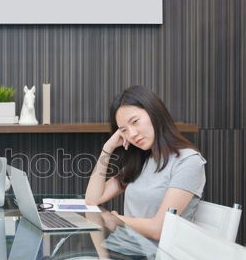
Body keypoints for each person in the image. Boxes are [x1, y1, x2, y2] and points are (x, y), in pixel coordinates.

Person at [84, 86, 206, 241]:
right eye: (124, 130)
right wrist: (107, 148)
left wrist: (116, 219)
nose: (132, 134)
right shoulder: (142, 160)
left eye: (135, 121)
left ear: (154, 113)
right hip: (130, 253)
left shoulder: (189, 162)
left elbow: (159, 229)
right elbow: (92, 200)